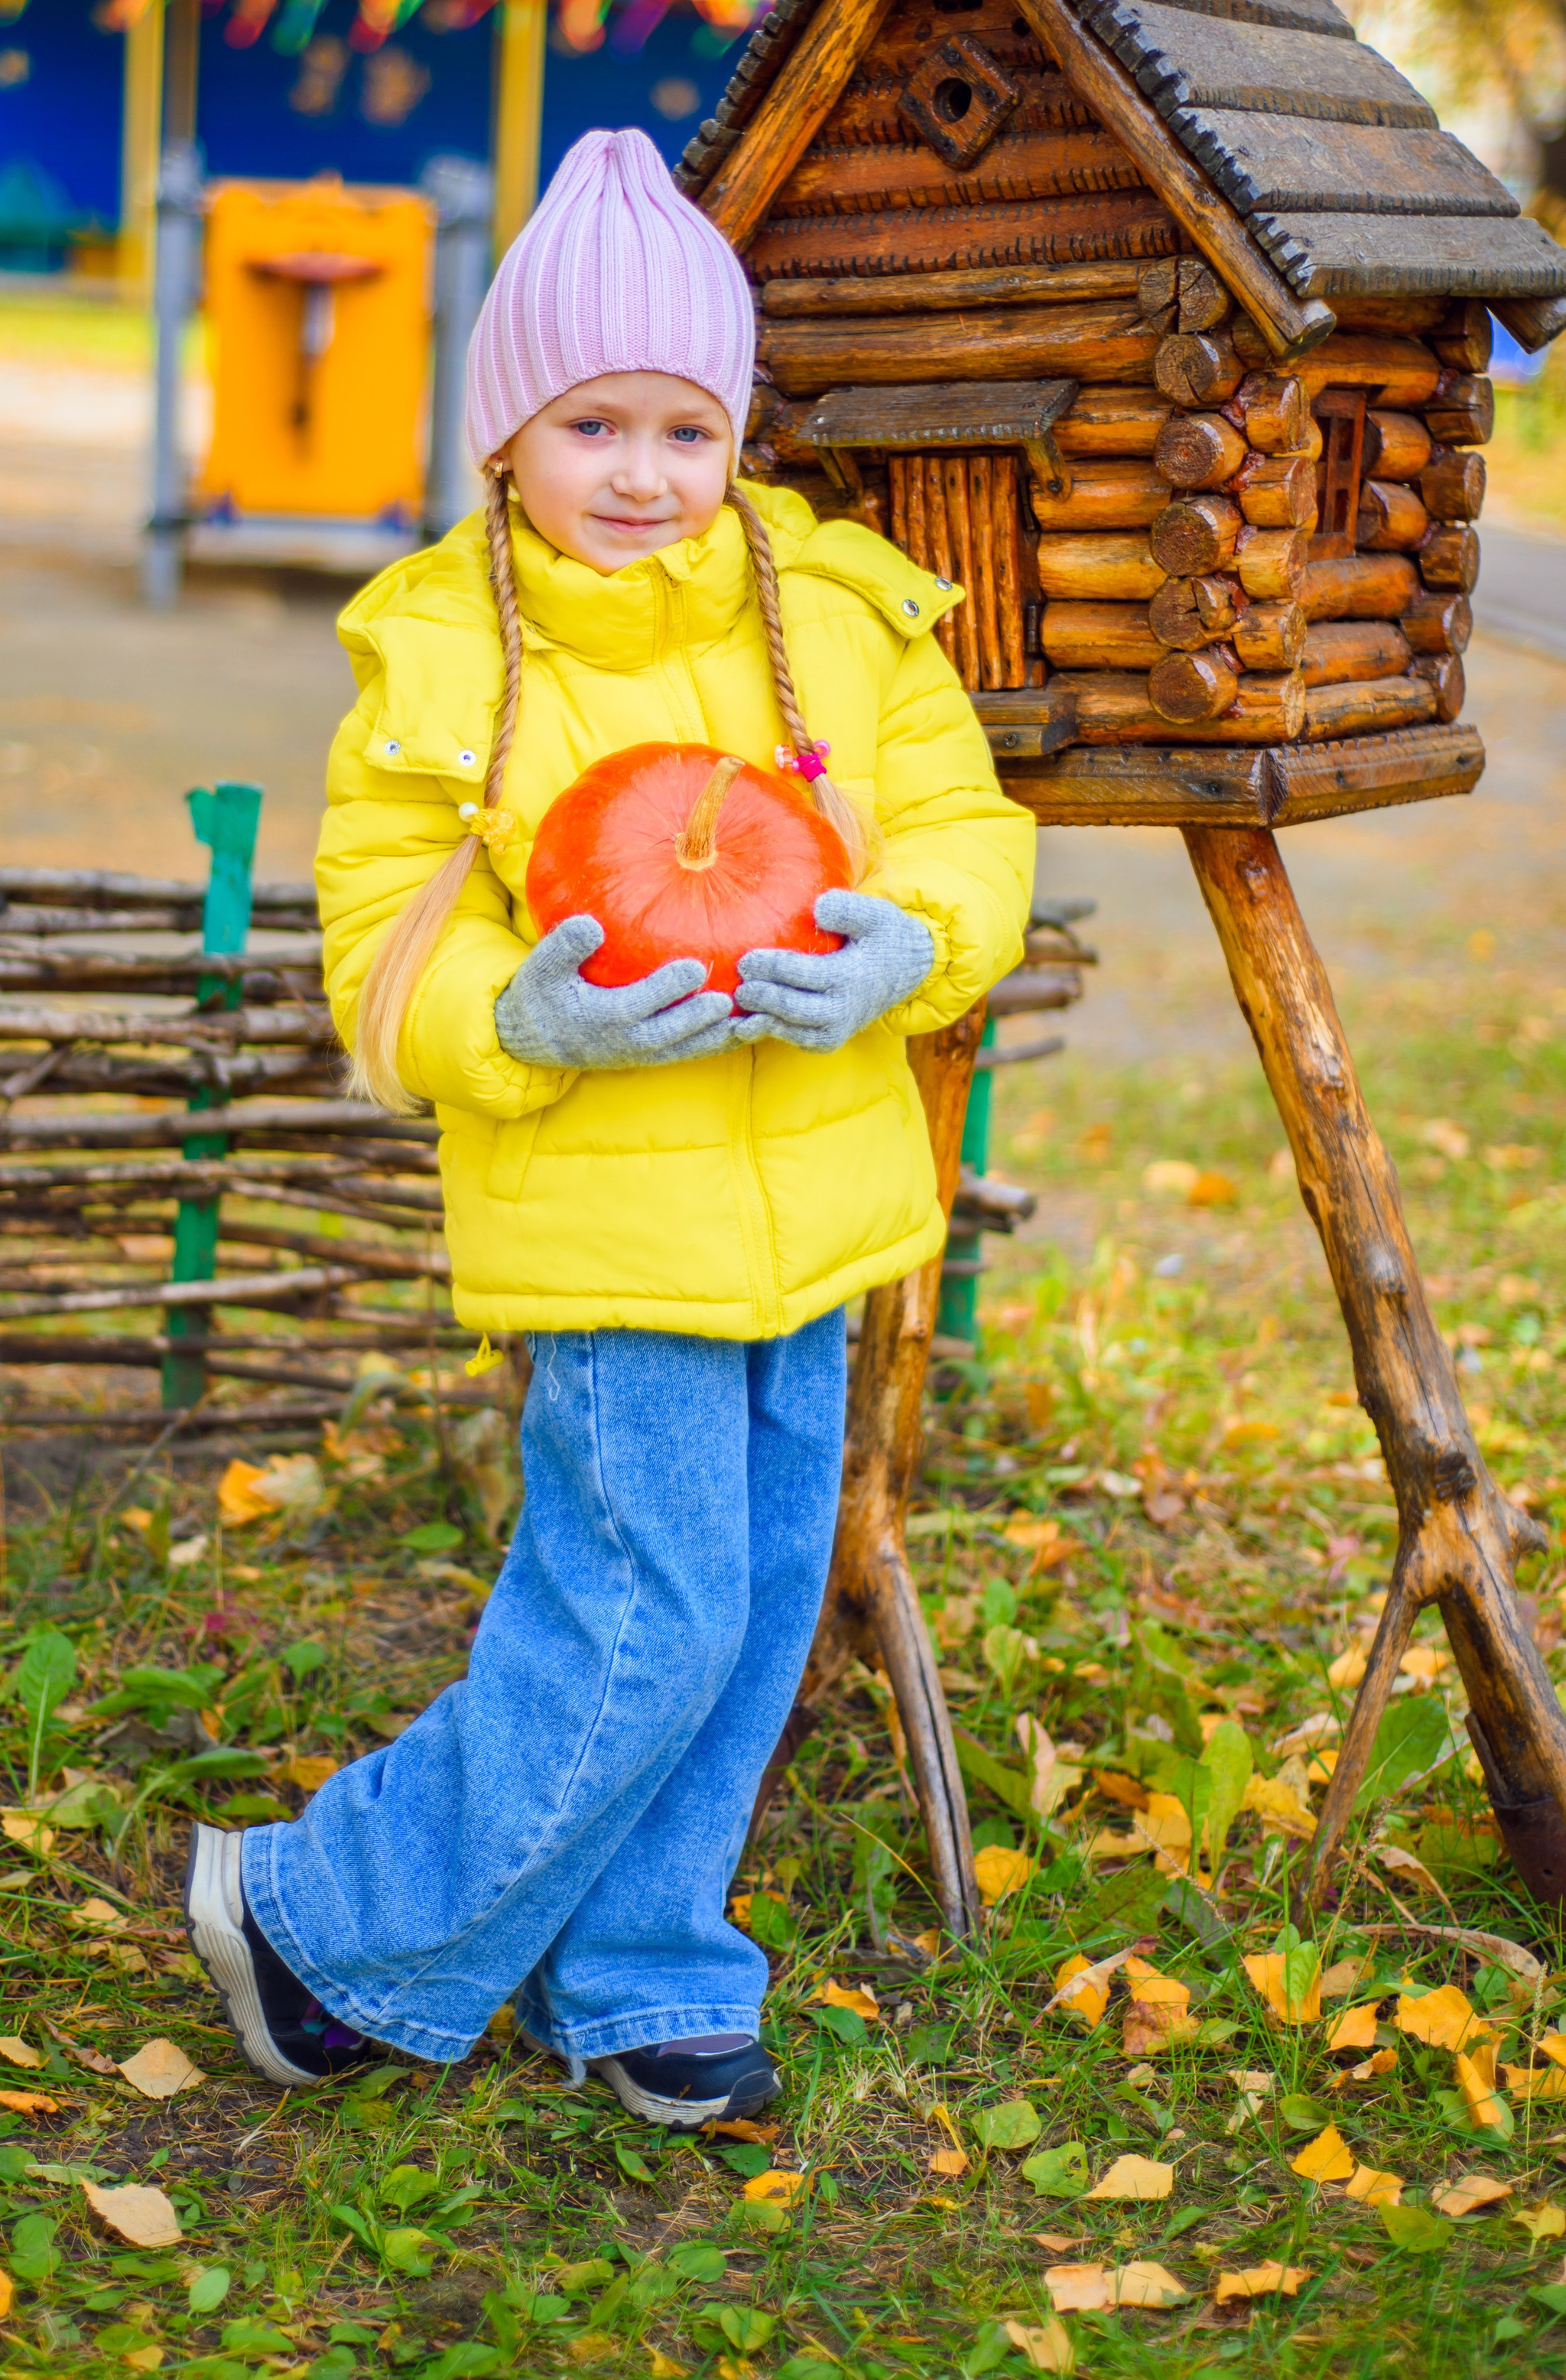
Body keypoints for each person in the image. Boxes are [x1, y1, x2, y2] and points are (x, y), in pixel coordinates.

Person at [187, 128, 1035, 2127]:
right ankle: (325, 1911)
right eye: (592, 424)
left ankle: (646, 1965)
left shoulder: (842, 619)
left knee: (750, 1619)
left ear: (737, 430)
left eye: (684, 426)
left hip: (817, 1214)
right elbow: (379, 950)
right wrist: (522, 1012)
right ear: (506, 434)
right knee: (643, 1615)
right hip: (604, 1218)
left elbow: (969, 829)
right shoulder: (444, 660)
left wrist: (912, 946)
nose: (643, 473)